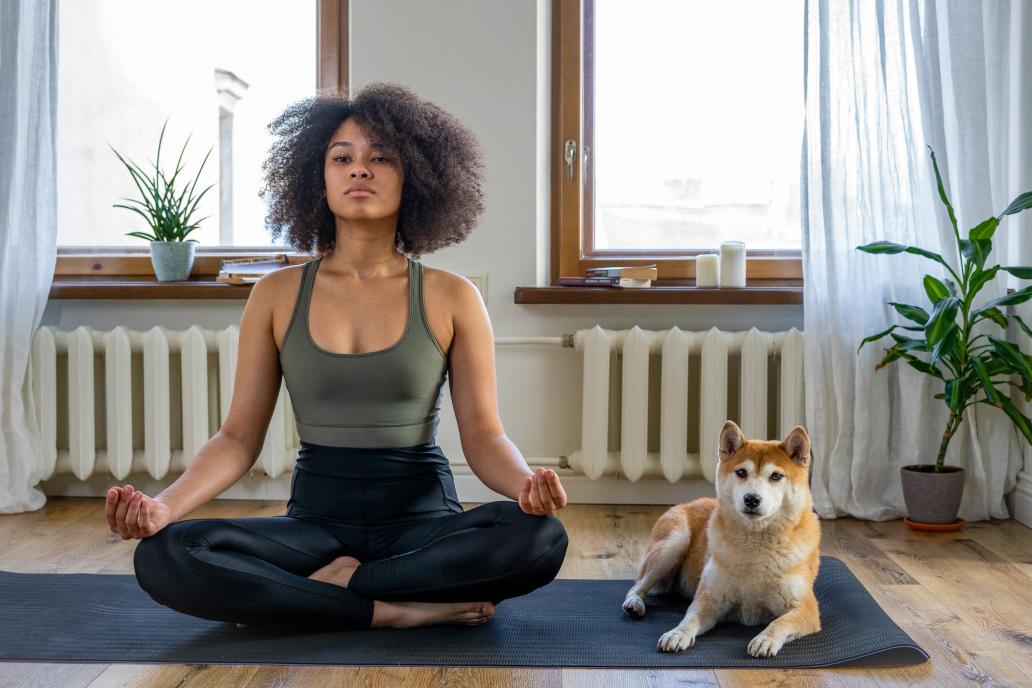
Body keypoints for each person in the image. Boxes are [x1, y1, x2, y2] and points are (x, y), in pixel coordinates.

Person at [105, 83, 569, 631]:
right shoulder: (275, 294)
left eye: (381, 158)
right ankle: (389, 610)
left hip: (421, 525)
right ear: (316, 178)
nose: (359, 171)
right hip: (316, 527)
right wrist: (163, 508)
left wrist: (524, 489)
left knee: (540, 538)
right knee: (167, 553)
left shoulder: (452, 296)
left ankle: (332, 591)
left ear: (415, 175)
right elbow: (236, 439)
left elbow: (485, 437)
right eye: (341, 157)